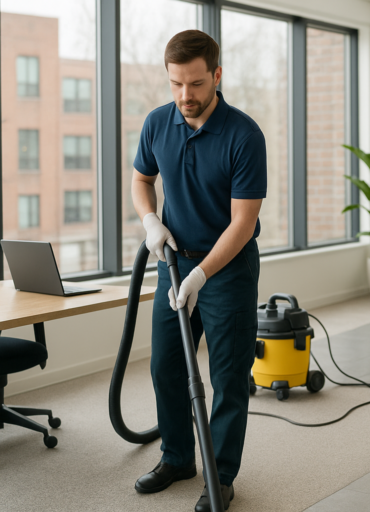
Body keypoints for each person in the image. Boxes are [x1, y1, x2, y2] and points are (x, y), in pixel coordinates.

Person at [131, 30, 266, 512]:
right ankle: (177, 457)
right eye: (175, 85)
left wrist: (202, 274)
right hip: (173, 263)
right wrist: (150, 220)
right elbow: (142, 179)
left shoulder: (243, 135)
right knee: (166, 367)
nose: (185, 96)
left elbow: (243, 223)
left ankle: (220, 475)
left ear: (216, 75)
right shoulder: (157, 123)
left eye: (194, 84)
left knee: (228, 376)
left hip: (225, 269)